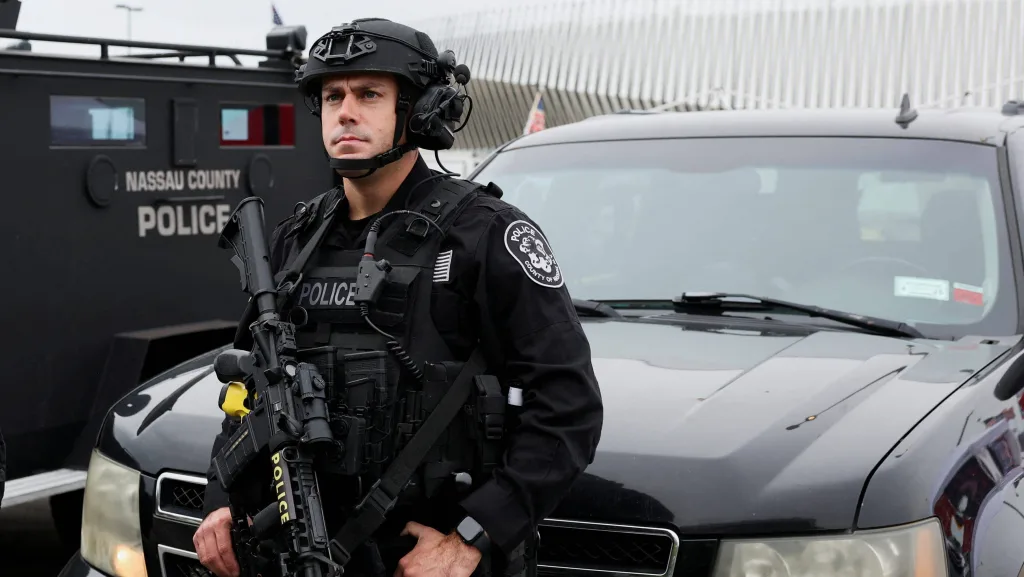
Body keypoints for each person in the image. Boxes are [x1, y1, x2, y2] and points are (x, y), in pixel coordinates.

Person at [192, 17, 604, 577]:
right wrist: (221, 500)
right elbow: (249, 390)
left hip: (427, 559)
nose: (345, 111)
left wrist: (471, 539)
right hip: (300, 554)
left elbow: (568, 408)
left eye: (369, 94)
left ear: (420, 110)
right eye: (332, 95)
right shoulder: (296, 238)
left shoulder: (484, 234)